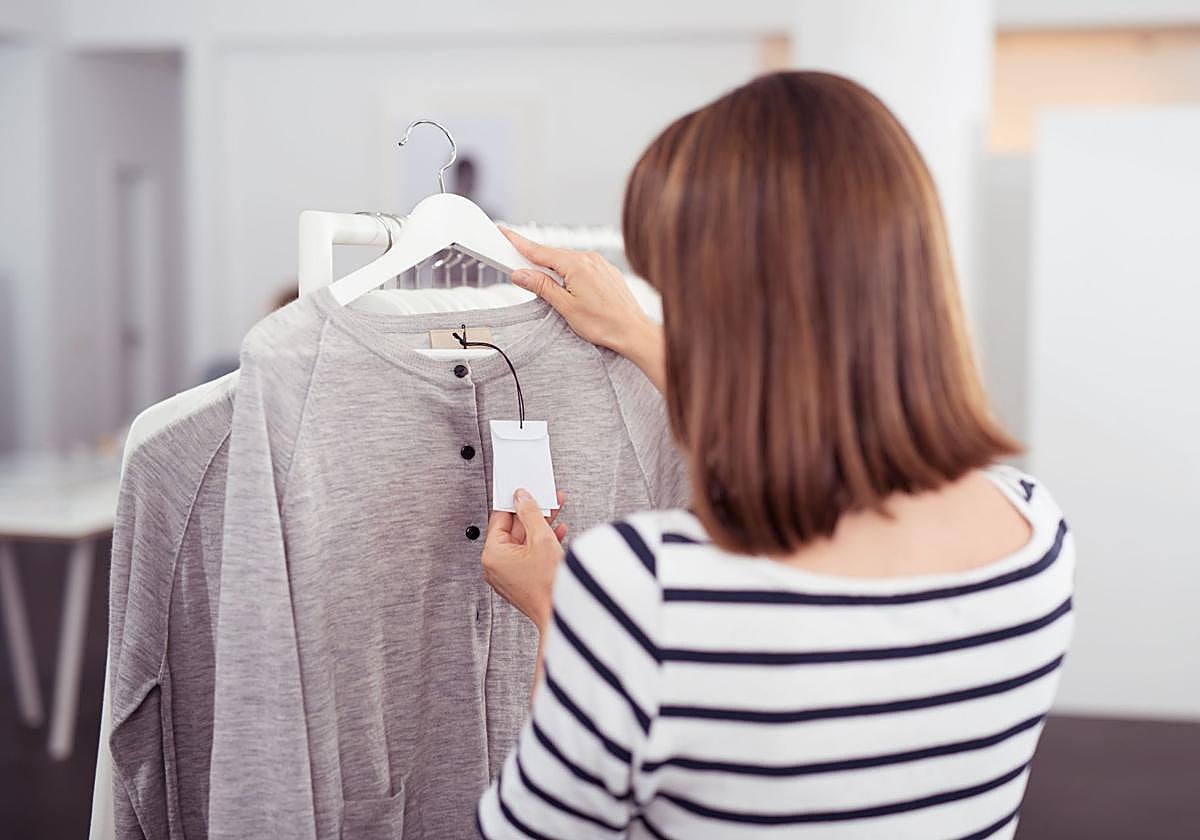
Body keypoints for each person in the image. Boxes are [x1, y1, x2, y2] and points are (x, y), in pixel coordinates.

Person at [476, 71, 1074, 839]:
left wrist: (558, 618)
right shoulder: (1034, 533)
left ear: (727, 310)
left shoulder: (644, 593)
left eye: (677, 294)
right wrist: (636, 333)